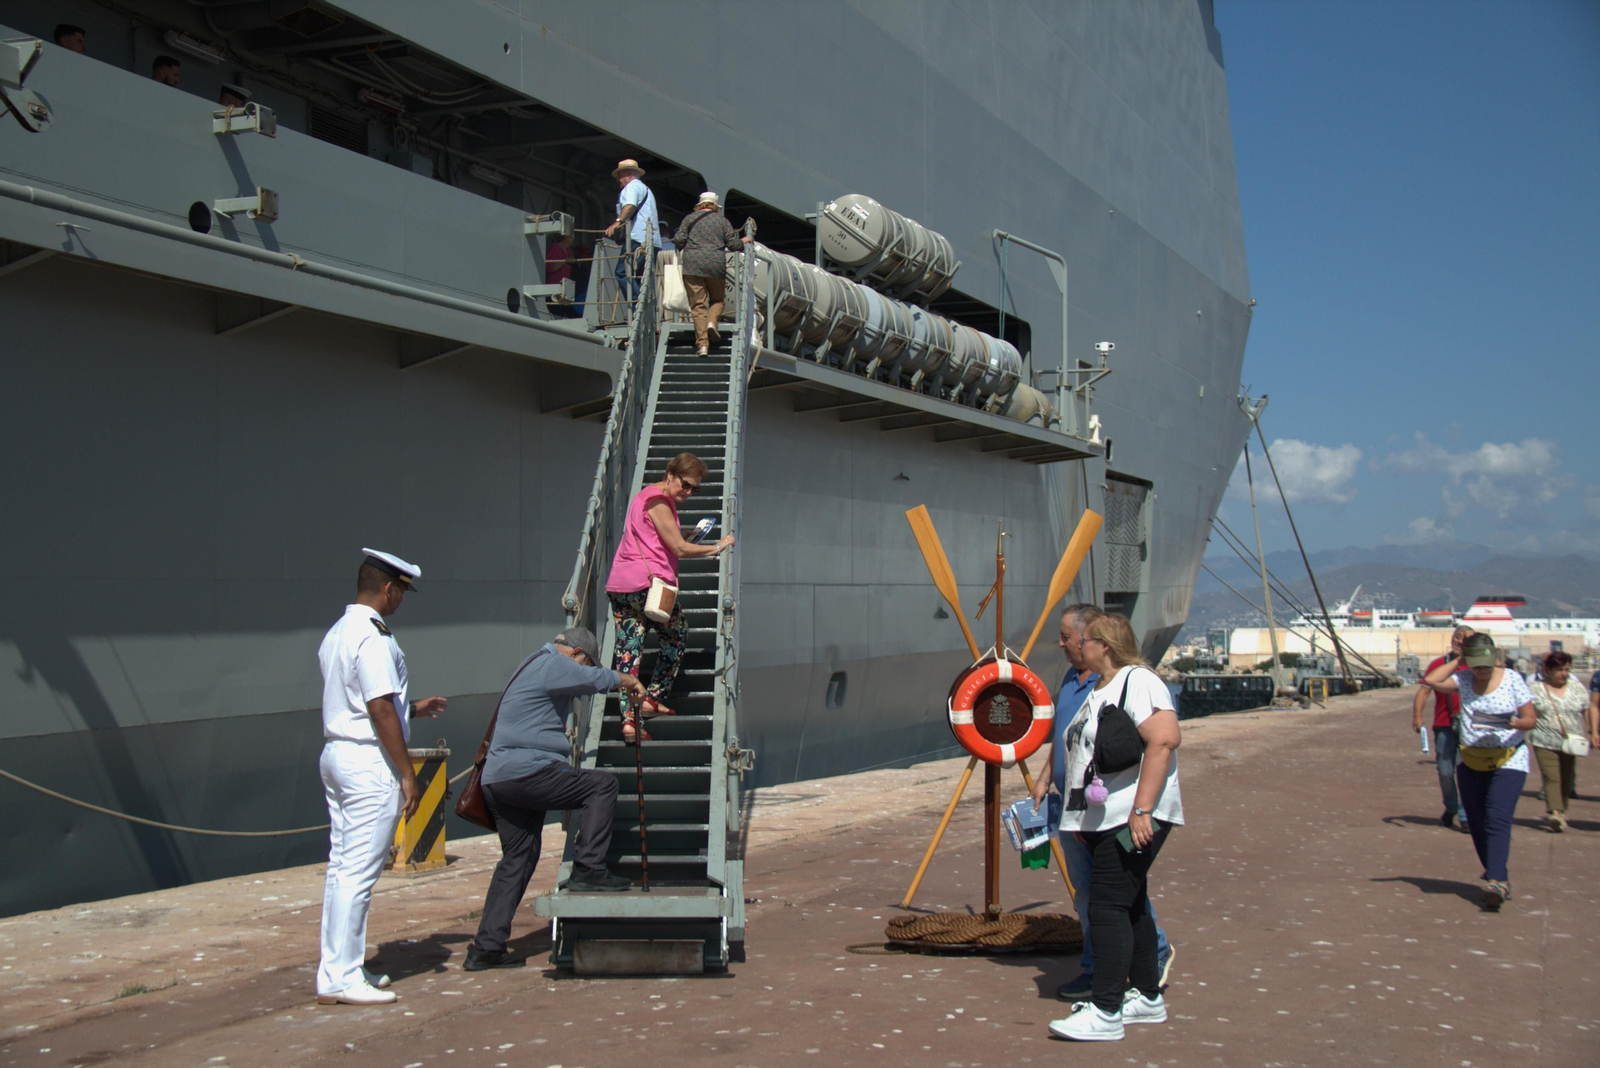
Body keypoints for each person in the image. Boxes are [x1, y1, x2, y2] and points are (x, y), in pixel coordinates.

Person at [465, 627, 649, 970]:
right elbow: (592, 679)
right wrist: (629, 681)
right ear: (578, 654)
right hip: (527, 772)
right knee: (602, 785)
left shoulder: (530, 664)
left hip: (499, 779)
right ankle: (589, 868)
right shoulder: (554, 663)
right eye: (585, 662)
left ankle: (486, 947)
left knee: (518, 858)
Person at [316, 549, 447, 1005]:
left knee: (341, 870)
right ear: (389, 588)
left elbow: (359, 702)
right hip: (368, 763)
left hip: (337, 753)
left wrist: (412, 709)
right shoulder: (373, 636)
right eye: (402, 592)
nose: (401, 601)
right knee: (359, 873)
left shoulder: (338, 632)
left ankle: (335, 969)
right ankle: (345, 976)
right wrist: (408, 775)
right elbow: (375, 707)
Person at [1049, 613, 1183, 1042]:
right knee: (1131, 902)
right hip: (1106, 818)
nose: (1077, 646)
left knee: (1106, 905)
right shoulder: (1101, 687)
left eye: (1084, 640)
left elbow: (1163, 739)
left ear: (1103, 646)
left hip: (1133, 817)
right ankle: (1147, 997)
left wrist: (1142, 810)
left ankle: (1106, 1009)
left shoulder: (1138, 681)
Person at [605, 452, 733, 738]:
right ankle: (652, 698)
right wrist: (717, 547)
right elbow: (679, 550)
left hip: (621, 587)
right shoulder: (660, 502)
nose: (688, 492)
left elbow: (655, 537)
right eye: (685, 485)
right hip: (649, 587)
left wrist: (685, 532)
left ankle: (629, 722)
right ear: (670, 474)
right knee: (676, 636)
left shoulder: (645, 497)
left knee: (629, 652)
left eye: (694, 489)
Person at [1421, 633, 1536, 912]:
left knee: (1497, 816)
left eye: (1486, 664)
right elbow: (1431, 681)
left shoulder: (1512, 679)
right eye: (1477, 665)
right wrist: (1459, 660)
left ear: (1495, 657)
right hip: (1471, 759)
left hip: (1508, 758)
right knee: (1476, 821)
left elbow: (1531, 719)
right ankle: (1498, 875)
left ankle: (1495, 880)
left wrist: (1514, 723)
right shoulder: (1462, 680)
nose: (1482, 671)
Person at [671, 192, 751, 356]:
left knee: (698, 306)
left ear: (700, 205)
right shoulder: (722, 221)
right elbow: (734, 245)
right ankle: (712, 323)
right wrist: (744, 240)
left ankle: (702, 346)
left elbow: (678, 240)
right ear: (715, 206)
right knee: (717, 300)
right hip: (715, 266)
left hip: (692, 266)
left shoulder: (689, 219)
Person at [1411, 626, 1474, 832]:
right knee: (1445, 771)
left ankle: (1465, 815)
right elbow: (1424, 691)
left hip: (1470, 727)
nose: (1460, 641)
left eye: (1466, 639)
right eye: (1458, 637)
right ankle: (1451, 807)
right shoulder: (1438, 664)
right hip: (1444, 725)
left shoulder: (1475, 666)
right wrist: (1417, 716)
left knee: (1467, 772)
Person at [1528, 651, 1593, 832]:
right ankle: (1555, 813)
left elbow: (1586, 709)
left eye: (1566, 669)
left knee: (1567, 777)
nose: (1563, 673)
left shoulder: (1576, 688)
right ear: (1547, 670)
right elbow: (1525, 711)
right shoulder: (1535, 688)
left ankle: (1561, 810)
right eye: (1559, 669)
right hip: (1544, 739)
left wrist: (1591, 731)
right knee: (1551, 776)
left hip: (1571, 741)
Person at [604, 159, 658, 303]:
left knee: (622, 272)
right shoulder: (646, 189)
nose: (618, 180)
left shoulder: (631, 188)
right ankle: (645, 309)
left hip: (638, 238)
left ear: (627, 175)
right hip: (652, 240)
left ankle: (636, 304)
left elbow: (630, 205)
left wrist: (617, 222)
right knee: (641, 278)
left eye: (619, 176)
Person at [545, 231, 575, 316]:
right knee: (557, 311)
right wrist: (565, 261)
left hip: (564, 288)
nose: (573, 238)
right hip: (554, 287)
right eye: (571, 236)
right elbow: (549, 267)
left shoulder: (568, 251)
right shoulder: (555, 248)